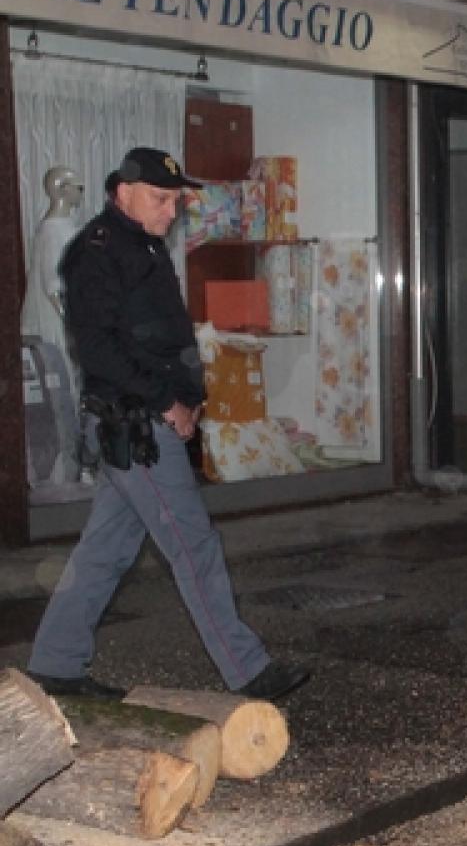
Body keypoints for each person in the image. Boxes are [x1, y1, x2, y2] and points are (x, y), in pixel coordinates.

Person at [25, 147, 310, 703]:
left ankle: (56, 664)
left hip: (143, 420)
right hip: (135, 425)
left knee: (103, 552)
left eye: (177, 199)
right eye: (160, 199)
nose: (171, 210)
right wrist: (166, 402)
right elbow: (99, 349)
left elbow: (162, 335)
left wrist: (192, 395)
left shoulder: (145, 246)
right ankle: (248, 670)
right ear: (122, 191)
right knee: (193, 543)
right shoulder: (97, 254)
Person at [22, 165, 87, 485]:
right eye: (77, 186)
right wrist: (73, 325)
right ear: (61, 190)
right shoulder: (52, 230)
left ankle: (75, 464)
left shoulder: (67, 226)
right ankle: (64, 470)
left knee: (73, 392)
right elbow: (52, 286)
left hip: (70, 320)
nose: (80, 192)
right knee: (62, 392)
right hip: (55, 325)